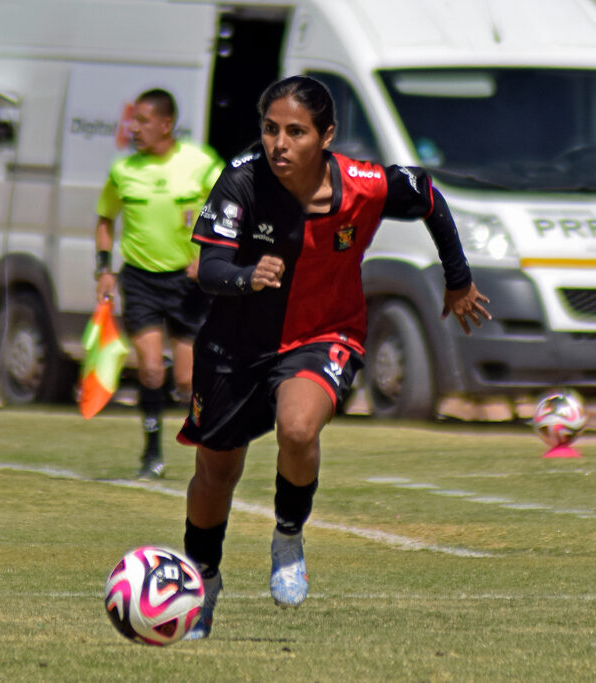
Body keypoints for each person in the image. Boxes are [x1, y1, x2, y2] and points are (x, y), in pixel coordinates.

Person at [176, 75, 492, 639]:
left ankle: (288, 536)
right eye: (270, 129)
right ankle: (202, 583)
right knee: (216, 471)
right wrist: (248, 276)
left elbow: (427, 196)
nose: (279, 143)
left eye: (296, 132)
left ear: (327, 136)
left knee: (298, 429)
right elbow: (209, 270)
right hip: (233, 347)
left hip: (324, 335)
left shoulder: (366, 185)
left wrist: (458, 278)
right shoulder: (242, 180)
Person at [95, 88, 224, 480]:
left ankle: (213, 443)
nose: (133, 128)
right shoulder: (123, 171)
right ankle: (151, 455)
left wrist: (208, 252)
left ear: (166, 124)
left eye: (143, 121)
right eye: (132, 120)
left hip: (187, 285)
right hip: (140, 281)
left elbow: (225, 206)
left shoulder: (200, 163)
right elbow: (105, 219)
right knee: (151, 370)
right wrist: (103, 268)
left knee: (185, 380)